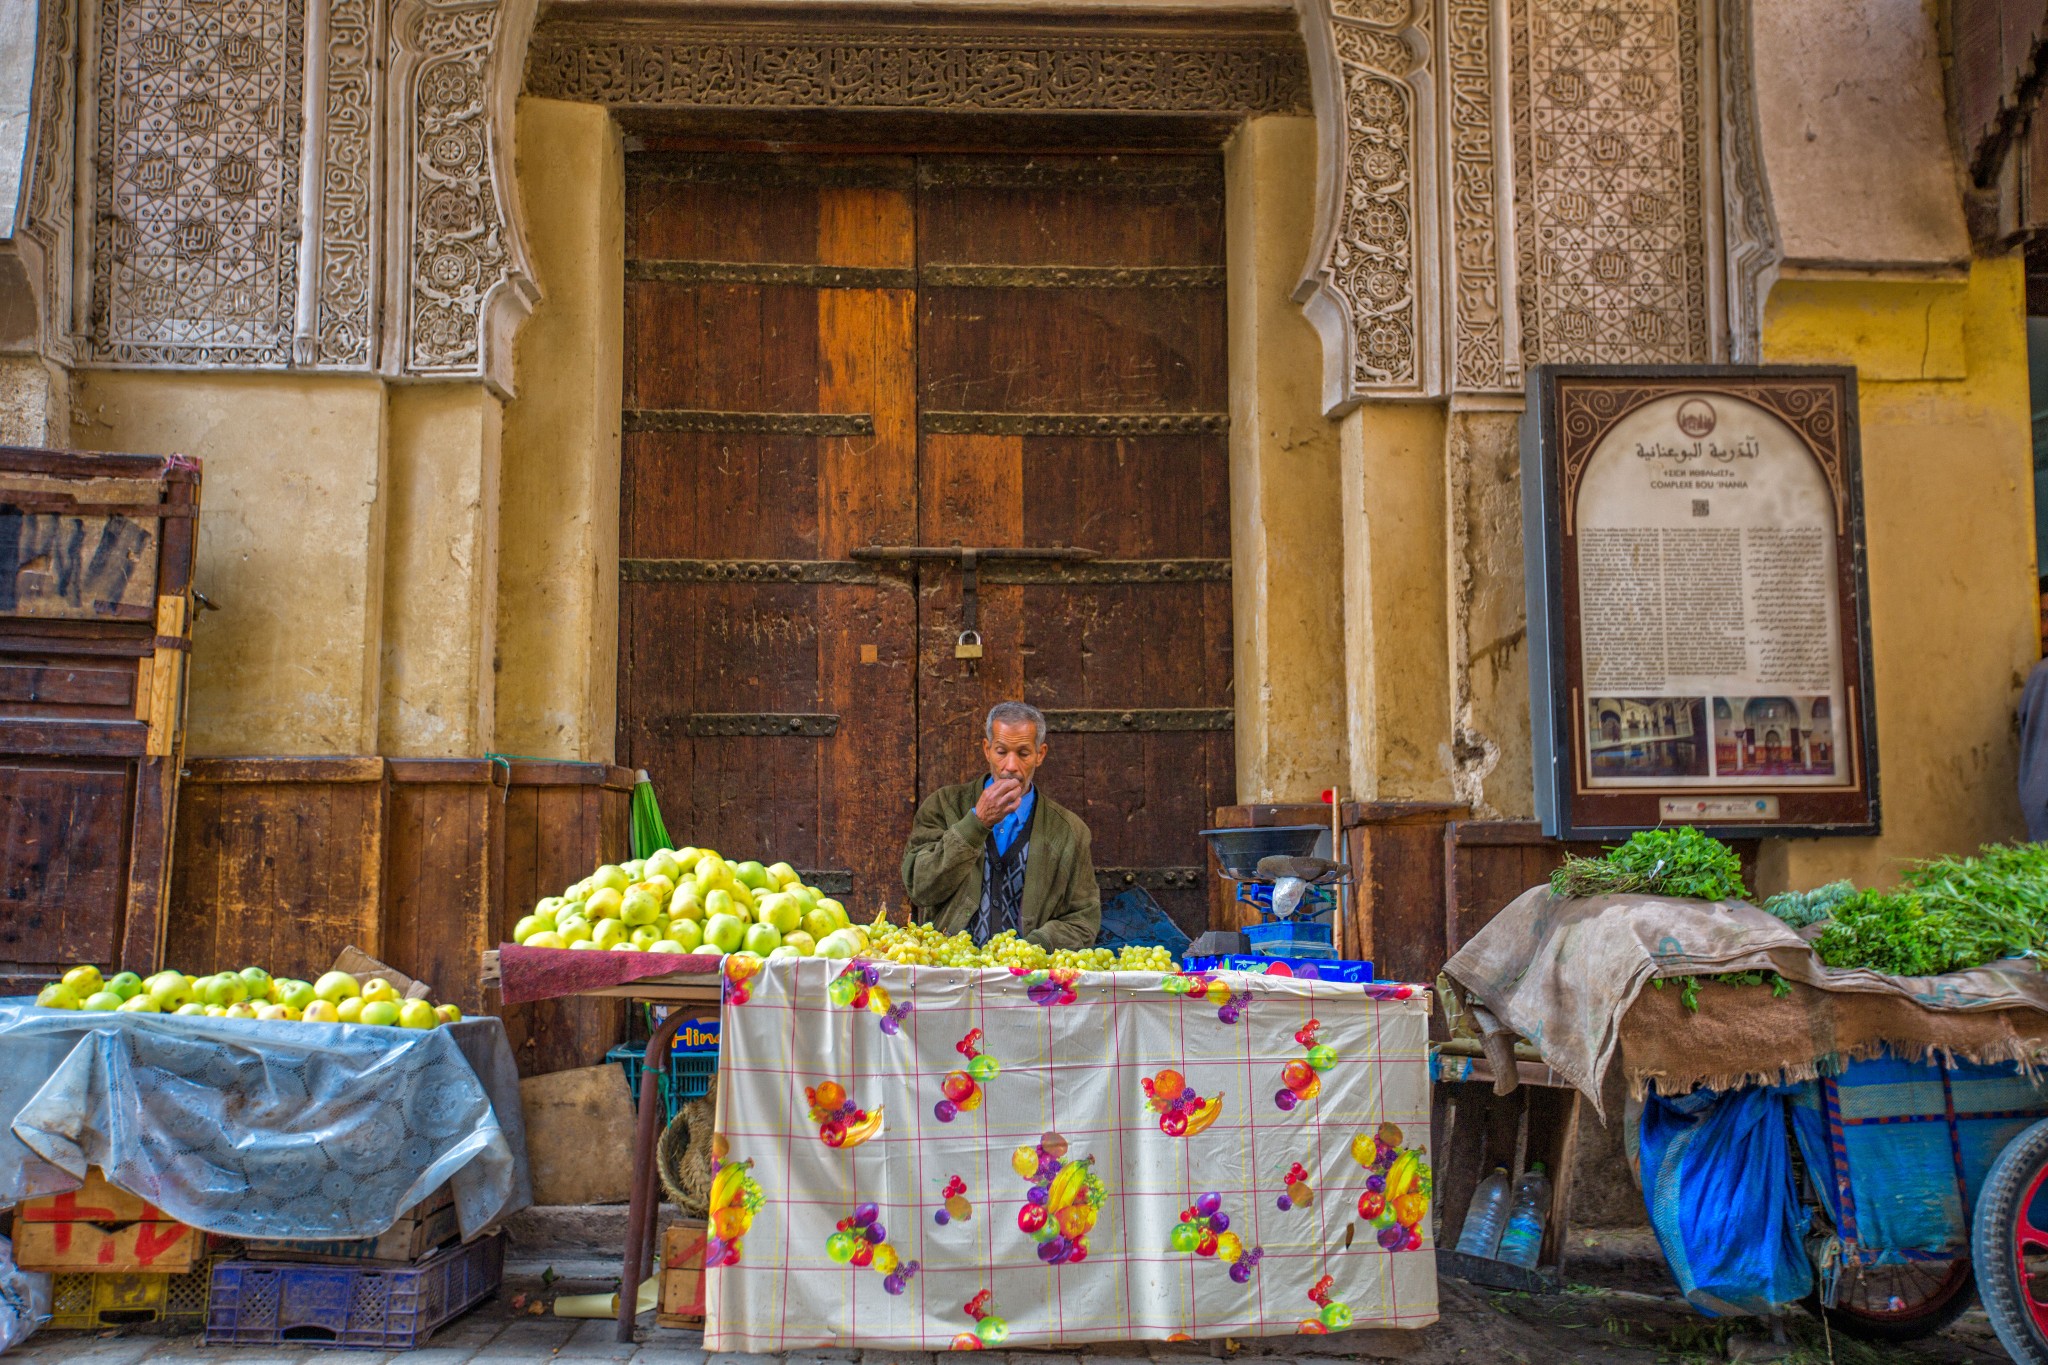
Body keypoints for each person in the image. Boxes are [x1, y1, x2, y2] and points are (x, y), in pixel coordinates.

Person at [901, 701, 1101, 949]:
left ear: (1040, 754)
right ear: (987, 749)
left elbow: (1083, 920)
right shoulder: (943, 806)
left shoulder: (1069, 831)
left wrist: (1034, 947)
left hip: (1028, 979)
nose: (1011, 766)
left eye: (1024, 753)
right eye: (1001, 751)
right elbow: (919, 888)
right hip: (952, 972)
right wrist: (976, 823)